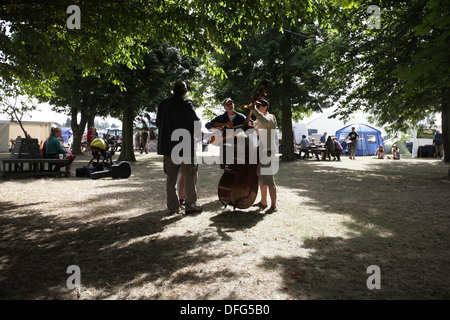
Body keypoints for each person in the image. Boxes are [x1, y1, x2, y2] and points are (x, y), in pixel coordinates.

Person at [156, 80, 202, 215]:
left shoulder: (164, 104)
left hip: (168, 147)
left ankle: (173, 207)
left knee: (171, 179)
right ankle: (190, 206)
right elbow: (196, 123)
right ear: (185, 92)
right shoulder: (187, 105)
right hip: (186, 147)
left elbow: (159, 123)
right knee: (190, 177)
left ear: (173, 90)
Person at [249, 99, 278, 214]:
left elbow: (264, 120)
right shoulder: (258, 120)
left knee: (269, 180)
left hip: (268, 151)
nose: (256, 107)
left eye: (259, 106)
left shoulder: (271, 117)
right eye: (256, 105)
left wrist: (254, 110)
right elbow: (257, 128)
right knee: (261, 178)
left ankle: (274, 206)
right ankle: (263, 202)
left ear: (265, 107)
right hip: (261, 151)